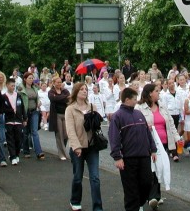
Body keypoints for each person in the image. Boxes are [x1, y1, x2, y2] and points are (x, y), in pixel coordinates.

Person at [109, 88, 157, 211]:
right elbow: (114, 138)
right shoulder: (117, 116)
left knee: (147, 182)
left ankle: (139, 203)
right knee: (131, 188)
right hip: (128, 158)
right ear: (127, 100)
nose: (137, 101)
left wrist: (153, 149)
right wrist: (117, 157)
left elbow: (147, 133)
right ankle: (133, 207)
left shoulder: (139, 114)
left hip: (143, 156)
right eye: (135, 99)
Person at [136, 83, 178, 210]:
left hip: (163, 142)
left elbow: (170, 122)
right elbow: (136, 124)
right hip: (149, 142)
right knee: (151, 169)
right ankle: (152, 196)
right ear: (150, 93)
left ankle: (155, 196)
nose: (159, 93)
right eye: (156, 91)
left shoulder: (162, 106)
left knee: (159, 167)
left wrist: (177, 138)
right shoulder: (140, 108)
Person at [66, 83, 103, 211]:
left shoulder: (93, 107)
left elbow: (98, 126)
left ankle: (97, 207)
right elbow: (70, 130)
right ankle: (75, 201)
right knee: (78, 176)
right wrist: (76, 147)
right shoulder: (70, 109)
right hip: (78, 148)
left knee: (95, 178)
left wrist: (94, 120)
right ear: (76, 92)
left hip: (92, 146)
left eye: (86, 89)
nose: (84, 91)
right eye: (81, 89)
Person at [2, 78, 27, 165]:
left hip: (18, 121)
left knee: (19, 139)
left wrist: (24, 118)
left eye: (14, 86)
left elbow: (22, 107)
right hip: (9, 121)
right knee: (10, 139)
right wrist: (11, 110)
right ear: (7, 85)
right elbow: (3, 108)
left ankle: (16, 154)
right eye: (11, 86)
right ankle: (12, 156)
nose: (13, 87)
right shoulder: (4, 97)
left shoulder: (18, 95)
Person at [20, 72, 44, 159]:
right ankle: (26, 150)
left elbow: (37, 98)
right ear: (25, 79)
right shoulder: (21, 89)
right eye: (29, 78)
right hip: (25, 112)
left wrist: (38, 103)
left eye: (32, 78)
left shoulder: (35, 88)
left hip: (34, 111)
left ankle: (39, 152)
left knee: (34, 132)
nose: (31, 80)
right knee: (25, 132)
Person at [49, 76, 70, 160]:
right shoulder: (51, 91)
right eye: (57, 82)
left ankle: (62, 149)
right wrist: (63, 98)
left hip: (65, 114)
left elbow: (69, 98)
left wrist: (59, 98)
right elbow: (53, 98)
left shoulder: (65, 91)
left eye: (60, 82)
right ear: (54, 83)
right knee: (59, 135)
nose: (59, 84)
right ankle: (62, 153)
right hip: (56, 115)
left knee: (66, 135)